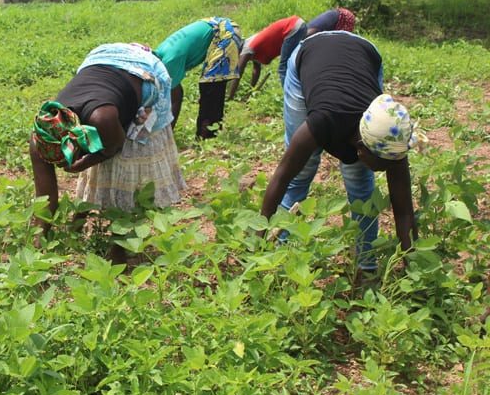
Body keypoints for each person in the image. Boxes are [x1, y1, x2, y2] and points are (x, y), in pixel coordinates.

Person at [260, 31, 424, 270]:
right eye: (385, 165)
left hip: (363, 53)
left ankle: (366, 265)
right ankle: (274, 253)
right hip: (310, 55)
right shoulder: (320, 124)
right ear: (361, 149)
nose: (389, 169)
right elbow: (282, 177)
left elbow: (404, 212)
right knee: (301, 173)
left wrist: (415, 266)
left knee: (361, 187)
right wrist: (258, 238)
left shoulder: (390, 137)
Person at [29, 43, 186, 261]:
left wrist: (83, 164)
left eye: (64, 161)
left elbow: (115, 147)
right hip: (100, 61)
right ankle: (79, 223)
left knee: (128, 169)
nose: (60, 168)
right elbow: (45, 197)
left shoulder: (102, 119)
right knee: (99, 161)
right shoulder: (41, 138)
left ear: (77, 141)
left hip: (143, 71)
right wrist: (39, 240)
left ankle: (120, 244)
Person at [154, 17, 243, 138]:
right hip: (214, 24)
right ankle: (208, 132)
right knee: (209, 88)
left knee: (211, 87)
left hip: (224, 32)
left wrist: (167, 134)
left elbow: (176, 97)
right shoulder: (160, 52)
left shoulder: (169, 62)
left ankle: (207, 136)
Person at [228, 15, 307, 99]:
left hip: (291, 28)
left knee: (283, 68)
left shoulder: (247, 49)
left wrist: (230, 97)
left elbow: (238, 73)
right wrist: (251, 90)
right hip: (298, 25)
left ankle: (291, 98)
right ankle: (301, 92)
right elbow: (256, 70)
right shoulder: (252, 47)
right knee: (297, 64)